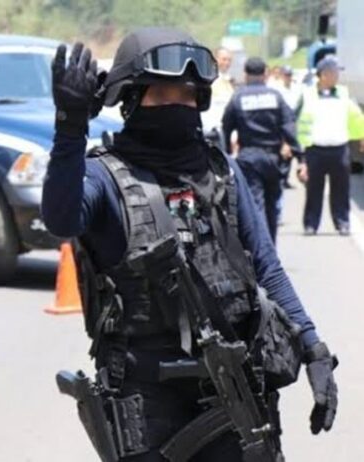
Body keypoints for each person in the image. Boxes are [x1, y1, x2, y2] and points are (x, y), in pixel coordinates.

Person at [43, 28, 338, 461]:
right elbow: (61, 218)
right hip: (148, 403)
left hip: (236, 391)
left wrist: (313, 347)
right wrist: (70, 131)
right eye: (163, 94)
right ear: (131, 99)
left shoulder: (222, 172)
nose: (178, 105)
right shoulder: (105, 176)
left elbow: (267, 268)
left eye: (187, 94)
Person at [222, 57, 300, 244]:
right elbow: (288, 125)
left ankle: (260, 248)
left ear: (245, 74)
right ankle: (271, 246)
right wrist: (299, 155)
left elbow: (226, 126)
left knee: (256, 206)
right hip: (272, 158)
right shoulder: (275, 96)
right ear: (265, 73)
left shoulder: (238, 97)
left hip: (249, 157)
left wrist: (225, 155)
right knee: (272, 205)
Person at [297, 55, 364, 236]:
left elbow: (356, 116)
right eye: (334, 72)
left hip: (339, 149)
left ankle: (342, 222)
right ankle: (311, 224)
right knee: (313, 190)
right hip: (315, 149)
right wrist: (299, 154)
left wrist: (362, 137)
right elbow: (295, 121)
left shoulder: (343, 93)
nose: (337, 76)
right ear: (323, 75)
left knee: (341, 189)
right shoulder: (307, 94)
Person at [201, 47, 235, 147]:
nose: (227, 63)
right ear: (215, 59)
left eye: (229, 60)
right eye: (224, 59)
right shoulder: (208, 79)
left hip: (225, 131)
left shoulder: (229, 81)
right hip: (213, 132)